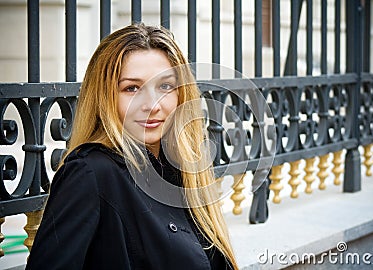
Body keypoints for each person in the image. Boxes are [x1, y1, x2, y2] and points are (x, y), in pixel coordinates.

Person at [25, 23, 238, 270]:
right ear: (105, 97)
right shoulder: (91, 172)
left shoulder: (184, 171)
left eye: (165, 86)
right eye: (132, 88)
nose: (151, 105)